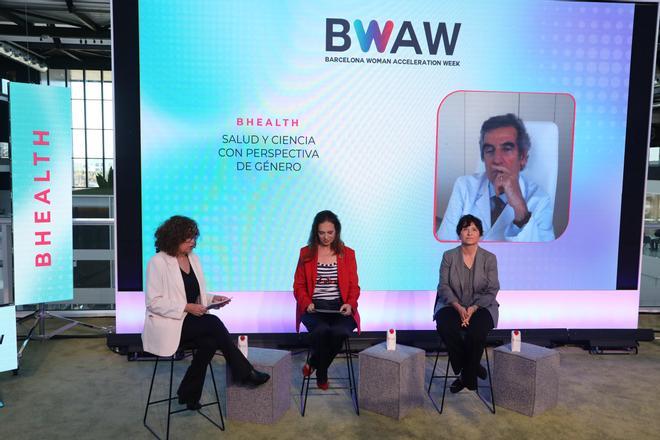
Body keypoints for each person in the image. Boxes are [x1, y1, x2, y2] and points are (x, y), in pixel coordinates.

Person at [141, 215, 269, 410]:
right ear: (174, 237)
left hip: (190, 320)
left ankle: (189, 394)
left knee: (210, 342)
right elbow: (153, 302)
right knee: (213, 324)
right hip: (168, 323)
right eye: (189, 238)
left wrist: (212, 299)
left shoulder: (193, 258)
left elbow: (192, 293)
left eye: (194, 238)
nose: (193, 242)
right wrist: (187, 307)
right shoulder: (157, 262)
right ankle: (244, 372)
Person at [437, 113, 555, 242]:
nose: (497, 160)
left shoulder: (540, 201)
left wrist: (520, 210)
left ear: (522, 158)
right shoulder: (464, 186)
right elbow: (444, 243)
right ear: (483, 157)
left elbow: (542, 257)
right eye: (489, 150)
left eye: (506, 149)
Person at [293, 210, 360, 390]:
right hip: (314, 308)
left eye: (330, 232)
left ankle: (315, 364)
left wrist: (350, 304)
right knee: (321, 330)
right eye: (322, 232)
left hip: (340, 307)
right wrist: (307, 303)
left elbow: (354, 287)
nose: (326, 237)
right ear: (316, 231)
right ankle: (322, 373)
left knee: (339, 332)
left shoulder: (348, 254)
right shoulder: (306, 253)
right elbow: (298, 286)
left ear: (337, 232)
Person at [433, 214, 499, 393]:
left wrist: (473, 308)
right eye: (465, 228)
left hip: (482, 306)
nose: (469, 233)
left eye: (474, 229)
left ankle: (465, 376)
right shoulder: (449, 256)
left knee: (477, 333)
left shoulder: (489, 258)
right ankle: (472, 369)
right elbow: (443, 286)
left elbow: (493, 289)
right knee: (446, 326)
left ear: (480, 234)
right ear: (459, 233)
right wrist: (459, 307)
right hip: (451, 305)